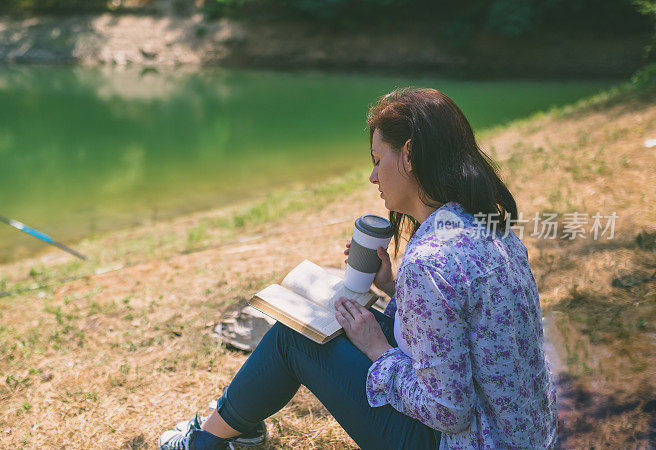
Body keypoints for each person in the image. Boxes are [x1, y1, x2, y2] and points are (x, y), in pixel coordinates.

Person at [158, 87, 559, 449]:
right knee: (320, 328)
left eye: (376, 160)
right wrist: (392, 287)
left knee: (295, 337)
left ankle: (205, 440)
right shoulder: (489, 223)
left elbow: (449, 411)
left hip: (467, 441)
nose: (372, 176)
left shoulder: (431, 261)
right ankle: (234, 426)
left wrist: (377, 349)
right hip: (520, 432)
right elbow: (460, 334)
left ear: (409, 155)